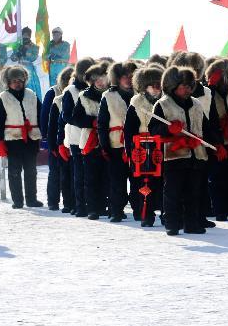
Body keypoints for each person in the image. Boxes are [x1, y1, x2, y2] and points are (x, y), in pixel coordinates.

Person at [148, 66, 220, 236]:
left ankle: (191, 224)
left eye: (190, 85)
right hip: (174, 155)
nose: (187, 89)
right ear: (173, 85)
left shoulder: (196, 103)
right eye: (183, 86)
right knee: (172, 193)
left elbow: (206, 127)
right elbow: (153, 129)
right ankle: (172, 224)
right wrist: (169, 130)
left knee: (193, 192)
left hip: (197, 154)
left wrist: (217, 145)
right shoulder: (162, 104)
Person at [0, 65, 43, 208]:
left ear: (25, 80)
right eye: (14, 80)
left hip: (31, 139)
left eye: (20, 80)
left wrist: (43, 132)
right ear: (8, 82)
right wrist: (0, 142)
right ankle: (18, 201)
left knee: (31, 171)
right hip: (13, 140)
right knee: (14, 171)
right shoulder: (3, 98)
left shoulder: (32, 95)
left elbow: (41, 114)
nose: (17, 83)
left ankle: (31, 199)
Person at [123, 64, 164, 227]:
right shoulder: (136, 104)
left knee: (161, 182)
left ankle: (165, 212)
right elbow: (128, 130)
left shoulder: (164, 102)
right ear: (144, 86)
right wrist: (131, 151)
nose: (156, 88)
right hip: (141, 148)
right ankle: (145, 214)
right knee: (143, 183)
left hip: (161, 147)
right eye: (152, 85)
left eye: (158, 85)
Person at [97, 61, 138, 222]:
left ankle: (139, 209)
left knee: (137, 180)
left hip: (137, 144)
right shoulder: (108, 96)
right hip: (116, 145)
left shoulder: (139, 96)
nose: (127, 79)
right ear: (117, 78)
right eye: (124, 77)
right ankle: (116, 210)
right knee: (117, 181)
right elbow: (102, 123)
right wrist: (104, 145)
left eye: (130, 76)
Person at [70, 61, 110, 220]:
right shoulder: (84, 96)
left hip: (109, 139)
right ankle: (92, 208)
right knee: (91, 177)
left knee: (106, 176)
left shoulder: (112, 95)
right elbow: (75, 118)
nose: (100, 81)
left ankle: (104, 206)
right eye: (96, 79)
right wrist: (92, 122)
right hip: (90, 140)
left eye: (102, 77)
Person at [60, 57, 96, 217]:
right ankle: (79, 205)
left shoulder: (96, 90)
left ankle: (95, 205)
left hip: (94, 137)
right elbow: (66, 116)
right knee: (79, 173)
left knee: (93, 173)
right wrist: (88, 122)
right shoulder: (70, 91)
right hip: (76, 138)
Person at [204, 57, 228, 222]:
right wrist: (216, 143)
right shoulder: (208, 93)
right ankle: (219, 210)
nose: (225, 83)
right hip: (216, 141)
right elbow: (208, 121)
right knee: (216, 178)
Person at [45, 66, 75, 211]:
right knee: (55, 173)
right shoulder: (54, 94)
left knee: (68, 173)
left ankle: (68, 202)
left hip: (69, 140)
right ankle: (53, 201)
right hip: (56, 139)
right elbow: (46, 119)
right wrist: (51, 143)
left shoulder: (75, 95)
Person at [10, 27, 42, 101]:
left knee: (30, 87)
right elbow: (13, 58)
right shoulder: (18, 46)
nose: (25, 37)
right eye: (24, 35)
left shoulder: (34, 47)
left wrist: (26, 52)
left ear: (30, 36)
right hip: (19, 69)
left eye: (27, 35)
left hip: (29, 69)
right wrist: (18, 53)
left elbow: (33, 58)